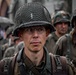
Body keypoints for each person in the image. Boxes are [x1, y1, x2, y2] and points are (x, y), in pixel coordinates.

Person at [0, 2, 75, 75]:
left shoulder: (63, 67)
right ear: (20, 34)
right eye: (29, 30)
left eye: (40, 29)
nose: (35, 35)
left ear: (47, 33)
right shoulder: (5, 68)